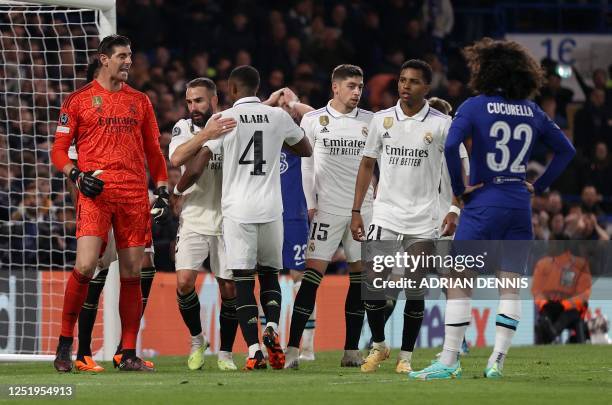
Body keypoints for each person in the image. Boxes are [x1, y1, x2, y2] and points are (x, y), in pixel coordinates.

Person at [409, 38, 575, 380]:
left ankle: (450, 359)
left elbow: (452, 144)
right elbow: (567, 150)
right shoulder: (532, 110)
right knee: (510, 285)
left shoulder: (475, 105)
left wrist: (459, 189)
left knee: (458, 279)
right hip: (518, 205)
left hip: (484, 201)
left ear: (485, 69)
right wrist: (539, 186)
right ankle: (496, 361)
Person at [50, 35, 169, 372]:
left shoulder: (141, 101)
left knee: (133, 272)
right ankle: (64, 345)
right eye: (121, 56)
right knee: (86, 265)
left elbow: (153, 151)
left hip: (133, 195)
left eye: (130, 55)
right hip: (96, 193)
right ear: (103, 59)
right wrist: (75, 174)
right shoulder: (78, 101)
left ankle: (128, 352)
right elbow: (58, 151)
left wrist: (161, 188)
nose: (128, 61)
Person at [351, 60, 460, 374]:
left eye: (413, 81)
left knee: (414, 287)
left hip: (423, 218)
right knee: (373, 285)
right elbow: (367, 165)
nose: (405, 86)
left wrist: (454, 207)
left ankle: (406, 357)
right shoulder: (382, 120)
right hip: (385, 213)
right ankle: (379, 346)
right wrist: (357, 210)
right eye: (401, 80)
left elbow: (456, 170)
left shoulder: (441, 124)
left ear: (426, 87)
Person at [202, 65, 312, 370]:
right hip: (271, 210)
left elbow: (202, 158)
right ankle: (273, 329)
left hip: (238, 210)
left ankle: (253, 351)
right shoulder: (278, 117)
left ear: (232, 89)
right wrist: (279, 138)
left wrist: (178, 187)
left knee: (242, 281)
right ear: (258, 86)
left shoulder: (223, 120)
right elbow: (305, 149)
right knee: (269, 276)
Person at [284, 64, 374, 370]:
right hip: (328, 210)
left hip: (363, 211)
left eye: (360, 86)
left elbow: (378, 168)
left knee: (360, 282)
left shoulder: (371, 122)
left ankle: (351, 351)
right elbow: (306, 165)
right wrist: (311, 203)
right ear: (335, 87)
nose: (357, 92)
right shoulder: (313, 120)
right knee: (310, 280)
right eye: (351, 86)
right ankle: (293, 350)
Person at [168, 77, 239, 371]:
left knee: (229, 291)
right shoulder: (184, 128)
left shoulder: (233, 124)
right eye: (189, 101)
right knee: (184, 283)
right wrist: (206, 135)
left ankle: (225, 353)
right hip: (194, 217)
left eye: (198, 100)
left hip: (227, 219)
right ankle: (198, 340)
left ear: (214, 100)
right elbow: (176, 158)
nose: (193, 106)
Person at [532, 245, 591, 344]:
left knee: (571, 313)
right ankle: (551, 334)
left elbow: (584, 293)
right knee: (545, 316)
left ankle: (553, 334)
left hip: (572, 308)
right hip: (553, 305)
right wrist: (545, 303)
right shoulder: (544, 265)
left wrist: (566, 303)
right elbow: (537, 291)